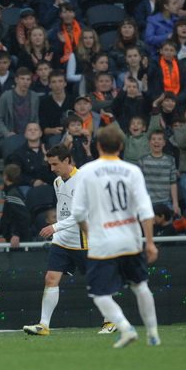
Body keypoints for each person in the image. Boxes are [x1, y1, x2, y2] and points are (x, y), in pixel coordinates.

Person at [71, 124, 161, 348]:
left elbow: (78, 212)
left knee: (100, 294)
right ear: (121, 146)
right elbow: (145, 210)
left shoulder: (86, 171)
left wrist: (90, 233)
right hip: (130, 240)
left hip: (103, 242)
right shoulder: (132, 171)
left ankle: (125, 328)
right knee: (140, 286)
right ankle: (153, 334)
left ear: (98, 146)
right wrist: (150, 242)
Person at [23, 144, 88, 336]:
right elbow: (63, 209)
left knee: (97, 280)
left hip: (83, 240)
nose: (52, 169)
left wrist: (55, 227)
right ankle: (43, 325)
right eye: (50, 164)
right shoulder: (58, 181)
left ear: (67, 161)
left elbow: (81, 214)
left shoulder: (83, 180)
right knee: (51, 278)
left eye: (55, 164)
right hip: (61, 240)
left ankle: (111, 320)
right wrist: (58, 230)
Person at [0, 164, 30, 248]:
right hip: (14, 237)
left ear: (5, 176)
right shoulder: (13, 193)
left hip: (17, 240)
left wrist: (16, 234)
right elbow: (6, 217)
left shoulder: (13, 195)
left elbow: (22, 217)